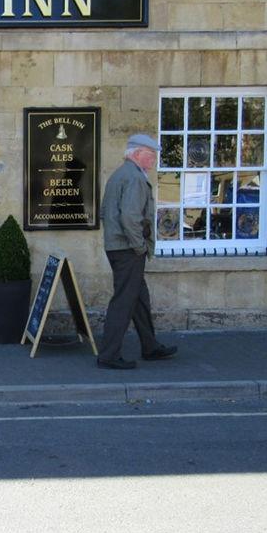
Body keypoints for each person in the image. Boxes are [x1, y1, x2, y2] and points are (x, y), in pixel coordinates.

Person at [97, 134, 178, 370]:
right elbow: (130, 218)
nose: (153, 160)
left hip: (119, 247)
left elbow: (105, 212)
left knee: (139, 298)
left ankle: (150, 346)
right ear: (136, 153)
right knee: (123, 302)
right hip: (128, 250)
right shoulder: (134, 178)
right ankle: (109, 355)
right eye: (150, 155)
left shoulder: (120, 174)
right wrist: (139, 247)